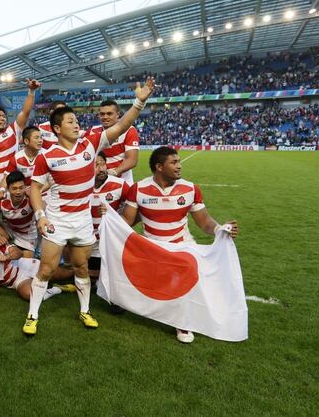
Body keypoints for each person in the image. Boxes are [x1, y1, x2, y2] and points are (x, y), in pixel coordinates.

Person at [23, 77, 156, 337]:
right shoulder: (46, 156)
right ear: (58, 129)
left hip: (83, 221)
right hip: (57, 220)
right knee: (46, 269)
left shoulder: (91, 142)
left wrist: (140, 101)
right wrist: (40, 216)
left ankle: (85, 310)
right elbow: (35, 190)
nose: (77, 124)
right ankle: (33, 314)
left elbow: (121, 126)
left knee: (81, 268)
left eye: (76, 120)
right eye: (70, 121)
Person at [121, 146, 239, 344]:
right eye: (174, 162)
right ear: (159, 167)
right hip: (154, 248)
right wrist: (108, 223)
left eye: (179, 162)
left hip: (182, 246)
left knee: (187, 276)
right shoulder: (139, 189)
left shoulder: (190, 188)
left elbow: (204, 221)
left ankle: (182, 323)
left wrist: (220, 229)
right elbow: (127, 220)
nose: (179, 166)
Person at [0, 227, 72, 301]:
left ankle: (84, 275)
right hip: (16, 280)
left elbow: (19, 253)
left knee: (67, 274)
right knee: (29, 295)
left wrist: (6, 257)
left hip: (26, 266)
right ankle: (56, 289)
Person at [89, 152, 130, 283]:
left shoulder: (120, 185)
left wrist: (114, 217)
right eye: (96, 165)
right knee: (89, 277)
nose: (101, 168)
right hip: (86, 241)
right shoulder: (80, 187)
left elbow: (136, 211)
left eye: (103, 164)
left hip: (109, 241)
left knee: (107, 278)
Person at [0, 171, 37, 257]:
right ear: (8, 188)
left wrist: (35, 197)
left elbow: (43, 209)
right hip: (8, 229)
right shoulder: (0, 200)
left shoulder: (31, 198)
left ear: (25, 187)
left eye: (21, 188)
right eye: (14, 188)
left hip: (27, 234)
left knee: (26, 262)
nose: (18, 192)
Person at [85, 99, 140, 183]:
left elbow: (132, 160)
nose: (105, 117)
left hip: (122, 183)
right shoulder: (92, 131)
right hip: (99, 183)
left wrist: (113, 173)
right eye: (102, 114)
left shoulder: (129, 130)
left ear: (118, 114)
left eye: (109, 114)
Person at [6, 126, 44, 192]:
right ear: (26, 141)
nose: (40, 140)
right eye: (36, 138)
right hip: (25, 195)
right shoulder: (16, 158)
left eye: (41, 137)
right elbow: (6, 178)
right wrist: (2, 189)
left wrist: (35, 192)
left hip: (45, 195)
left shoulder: (47, 155)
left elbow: (52, 179)